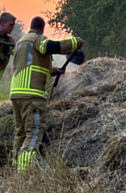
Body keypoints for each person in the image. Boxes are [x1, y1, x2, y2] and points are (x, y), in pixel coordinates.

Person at [9, 16, 81, 171]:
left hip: (16, 93)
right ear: (42, 28)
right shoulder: (37, 39)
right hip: (32, 94)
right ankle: (25, 172)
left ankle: (15, 167)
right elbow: (50, 46)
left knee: (20, 133)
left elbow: (32, 65)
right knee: (34, 133)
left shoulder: (21, 43)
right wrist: (75, 42)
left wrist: (55, 71)